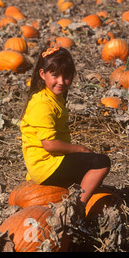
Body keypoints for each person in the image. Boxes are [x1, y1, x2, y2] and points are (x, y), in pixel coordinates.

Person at [20, 45, 111, 209]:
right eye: (55, 75)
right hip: (47, 165)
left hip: (46, 164)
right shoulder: (42, 104)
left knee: (88, 171)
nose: (61, 82)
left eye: (66, 76)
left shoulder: (52, 97)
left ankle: (77, 192)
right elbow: (50, 145)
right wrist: (81, 149)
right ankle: (78, 207)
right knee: (101, 162)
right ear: (42, 74)